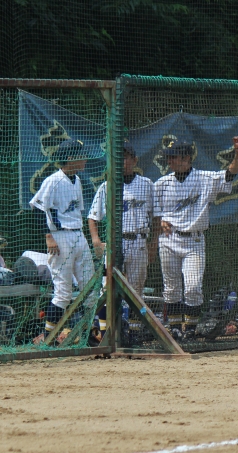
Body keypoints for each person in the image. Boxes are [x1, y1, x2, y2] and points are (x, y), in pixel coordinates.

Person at [153, 137, 238, 340]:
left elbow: (229, 175)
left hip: (194, 240)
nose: (169, 161)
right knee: (171, 287)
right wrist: (159, 221)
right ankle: (175, 329)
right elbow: (152, 211)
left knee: (193, 287)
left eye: (173, 157)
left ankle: (190, 329)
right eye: (168, 157)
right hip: (168, 240)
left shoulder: (204, 178)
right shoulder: (162, 184)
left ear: (187, 158)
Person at [29, 139, 97, 342]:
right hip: (60, 237)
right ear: (70, 158)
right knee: (63, 292)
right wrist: (49, 237)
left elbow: (78, 211)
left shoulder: (77, 180)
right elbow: (38, 209)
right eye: (81, 155)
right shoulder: (53, 180)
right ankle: (49, 337)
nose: (85, 159)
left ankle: (91, 334)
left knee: (91, 289)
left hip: (78, 234)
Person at [88, 139, 154, 337]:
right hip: (115, 243)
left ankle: (133, 333)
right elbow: (93, 217)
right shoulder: (107, 186)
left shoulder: (147, 184)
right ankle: (104, 333)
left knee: (136, 289)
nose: (122, 162)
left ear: (134, 160)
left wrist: (153, 243)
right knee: (107, 288)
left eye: (125, 157)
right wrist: (96, 240)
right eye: (117, 158)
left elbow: (157, 216)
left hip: (139, 240)